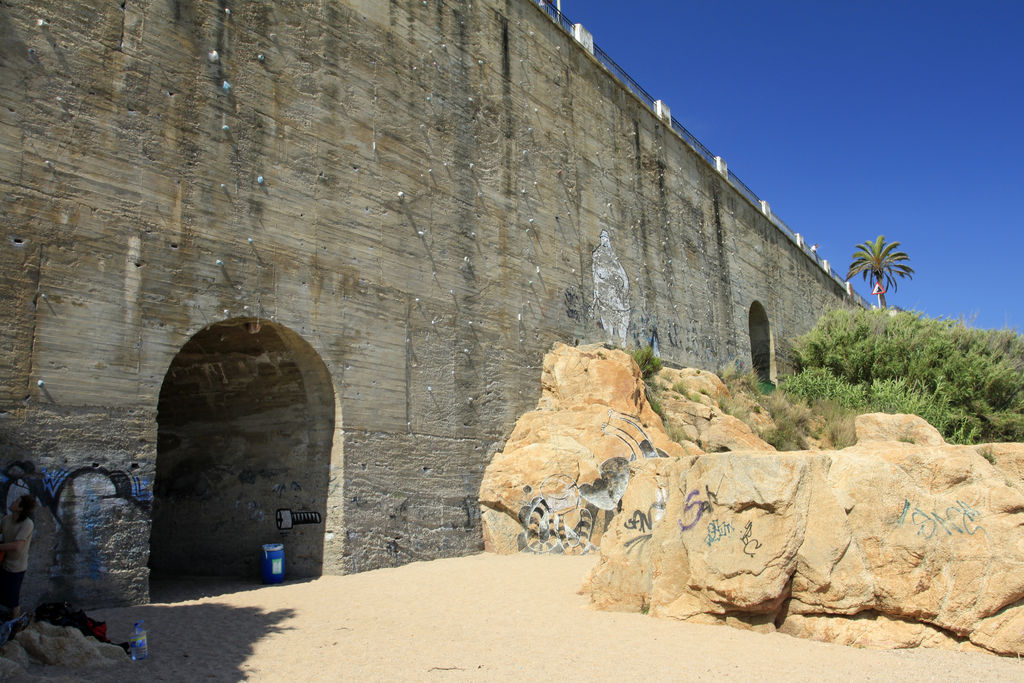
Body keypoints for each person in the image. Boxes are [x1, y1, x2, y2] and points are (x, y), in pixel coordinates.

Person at [0, 495, 36, 618]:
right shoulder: (6, 519)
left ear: (20, 508)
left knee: (13, 600)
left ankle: (16, 624)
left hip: (17, 567)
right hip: (3, 563)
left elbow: (16, 546)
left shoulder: (27, 524)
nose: (13, 502)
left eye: (16, 501)